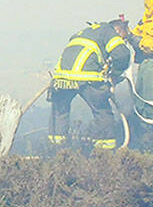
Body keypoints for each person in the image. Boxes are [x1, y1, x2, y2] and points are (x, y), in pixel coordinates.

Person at [48, 18, 133, 149]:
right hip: (86, 77)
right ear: (118, 30)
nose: (123, 41)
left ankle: (56, 150)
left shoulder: (84, 33)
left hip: (61, 78)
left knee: (60, 111)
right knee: (102, 110)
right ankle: (104, 150)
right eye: (124, 38)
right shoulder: (109, 32)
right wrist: (115, 75)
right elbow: (122, 55)